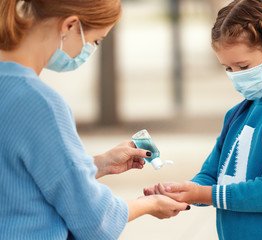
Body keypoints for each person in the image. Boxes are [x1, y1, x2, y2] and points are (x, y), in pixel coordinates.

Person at [144, 0, 262, 239]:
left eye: (243, 66)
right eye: (228, 68)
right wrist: (177, 192)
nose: (236, 77)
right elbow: (211, 176)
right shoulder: (237, 114)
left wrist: (200, 194)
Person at [0, 0, 189, 239]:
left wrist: (100, 163)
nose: (89, 50)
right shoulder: (40, 103)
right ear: (70, 25)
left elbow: (18, 178)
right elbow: (93, 218)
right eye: (96, 41)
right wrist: (150, 203)